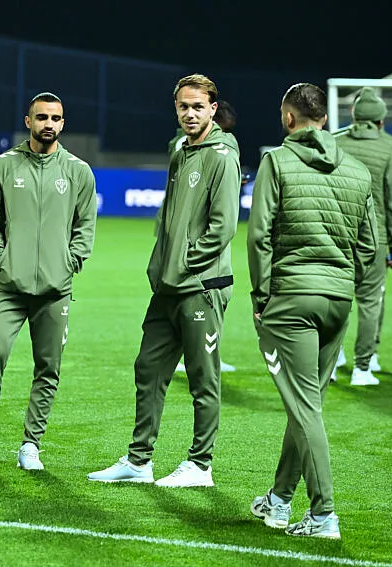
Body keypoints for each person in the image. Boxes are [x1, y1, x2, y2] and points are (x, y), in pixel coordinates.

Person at [88, 74, 240, 488]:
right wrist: (160, 266)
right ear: (176, 109)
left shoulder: (222, 156)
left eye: (197, 106)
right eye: (183, 107)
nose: (190, 113)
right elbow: (168, 219)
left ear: (212, 108)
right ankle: (139, 461)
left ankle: (200, 465)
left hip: (201, 287)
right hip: (168, 285)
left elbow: (224, 226)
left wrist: (186, 264)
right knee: (149, 368)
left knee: (202, 377)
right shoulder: (180, 151)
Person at [247, 83, 377, 538]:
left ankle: (324, 514)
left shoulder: (276, 162)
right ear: (325, 119)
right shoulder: (358, 171)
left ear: (289, 118)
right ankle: (279, 500)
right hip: (338, 302)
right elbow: (370, 249)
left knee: (304, 409)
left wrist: (261, 298)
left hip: (291, 300)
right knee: (307, 406)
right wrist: (344, 286)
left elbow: (259, 235)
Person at [0, 92, 97, 471]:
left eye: (56, 118)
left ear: (63, 123)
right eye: (42, 117)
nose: (49, 124)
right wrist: (2, 259)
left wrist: (70, 263)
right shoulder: (4, 165)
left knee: (48, 367)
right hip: (7, 287)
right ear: (28, 120)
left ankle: (31, 445)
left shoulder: (78, 171)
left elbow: (85, 226)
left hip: (55, 290)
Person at [332, 87, 392, 386]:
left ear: (354, 114)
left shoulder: (334, 142)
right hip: (372, 238)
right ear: (381, 120)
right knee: (369, 303)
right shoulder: (389, 147)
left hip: (336, 235)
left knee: (335, 300)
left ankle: (333, 361)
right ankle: (363, 367)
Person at [173, 100, 238, 374]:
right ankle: (192, 354)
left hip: (184, 245)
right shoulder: (184, 150)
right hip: (192, 251)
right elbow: (223, 227)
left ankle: (191, 354)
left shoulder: (212, 152)